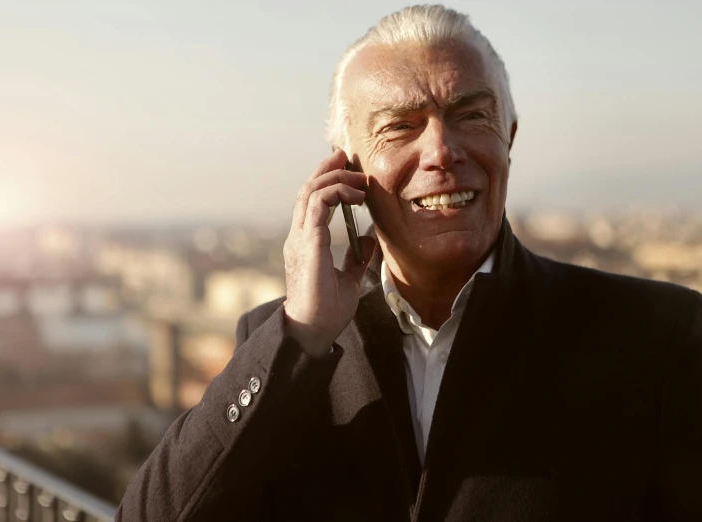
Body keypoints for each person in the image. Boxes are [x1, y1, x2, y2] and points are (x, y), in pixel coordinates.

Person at [116, 5, 702, 521]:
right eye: (400, 127)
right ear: (346, 169)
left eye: (472, 115)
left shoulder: (661, 338)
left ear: (510, 139)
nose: (443, 151)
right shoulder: (286, 350)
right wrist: (300, 334)